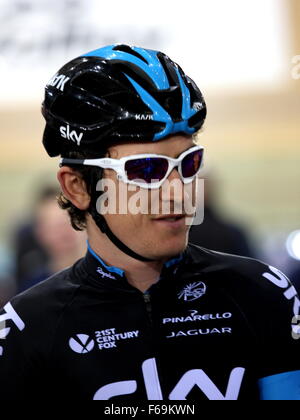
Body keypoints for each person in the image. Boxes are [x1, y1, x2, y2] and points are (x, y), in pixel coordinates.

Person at [0, 44, 299, 401]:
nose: (180, 193)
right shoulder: (27, 326)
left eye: (188, 164)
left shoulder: (262, 293)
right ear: (78, 187)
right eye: (146, 170)